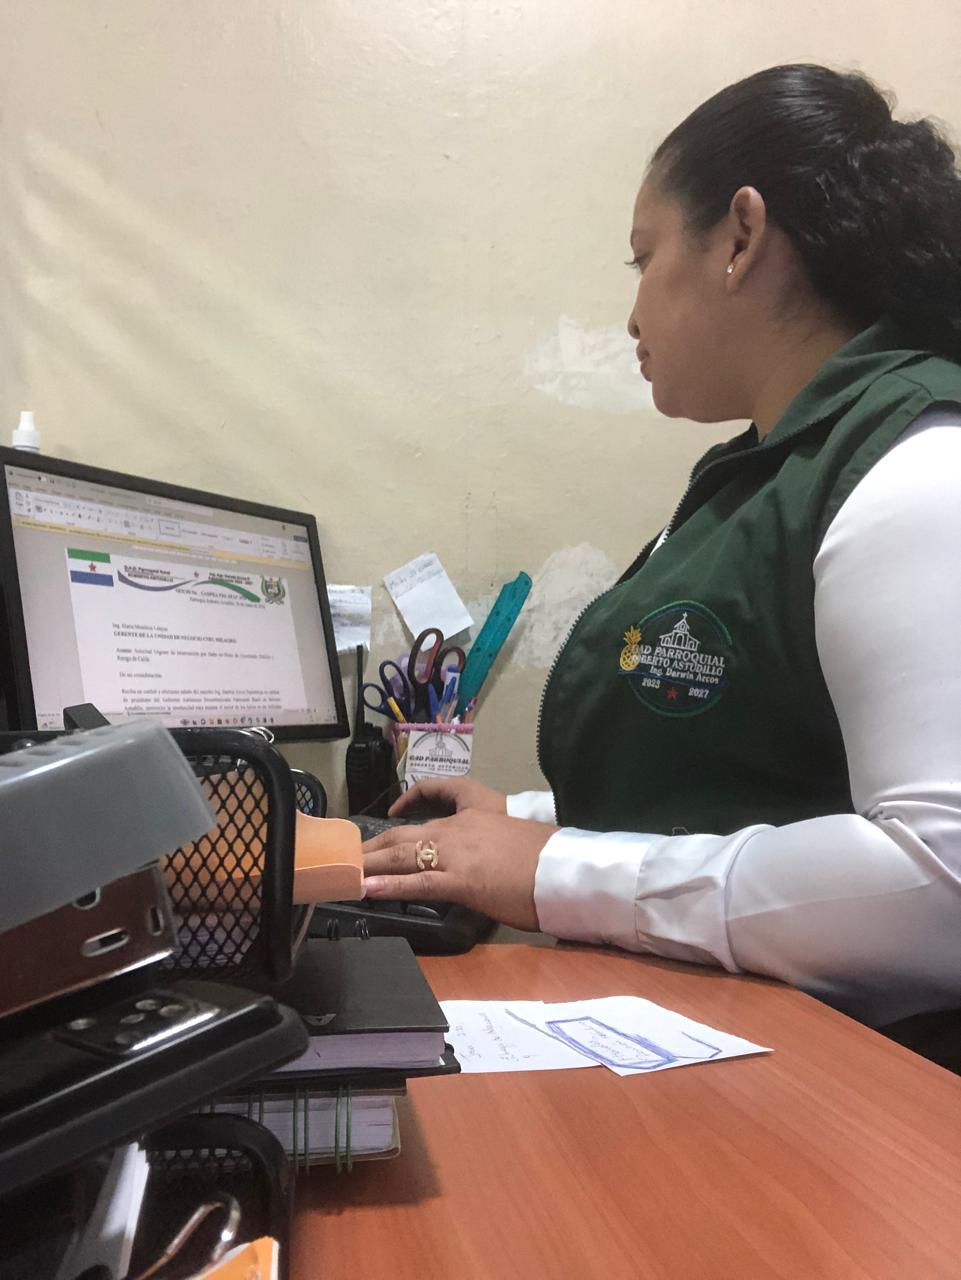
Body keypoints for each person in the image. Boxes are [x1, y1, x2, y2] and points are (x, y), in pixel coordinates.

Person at [362, 64, 961, 1054]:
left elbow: (939, 883)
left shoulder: (917, 466)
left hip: (877, 1094)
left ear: (741, 236)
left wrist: (554, 868)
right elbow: (760, 780)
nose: (632, 315)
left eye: (643, 258)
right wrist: (527, 820)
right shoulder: (766, 473)